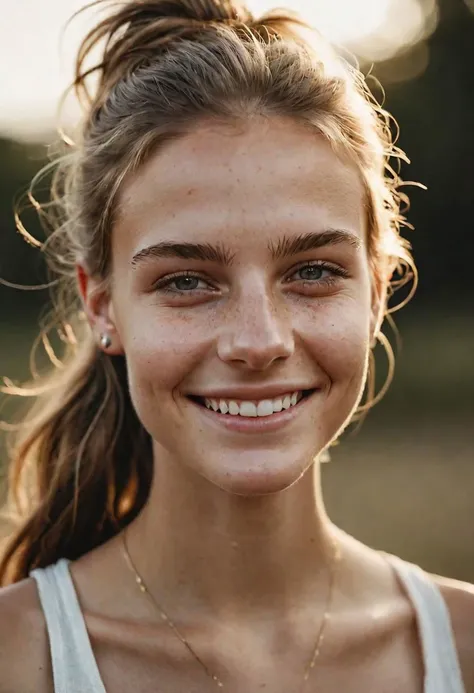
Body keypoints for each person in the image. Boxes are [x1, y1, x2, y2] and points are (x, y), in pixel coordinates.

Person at [0, 0, 473, 690]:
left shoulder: (461, 647)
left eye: (313, 271)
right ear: (102, 304)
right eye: (188, 280)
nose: (259, 340)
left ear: (376, 289)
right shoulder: (16, 657)